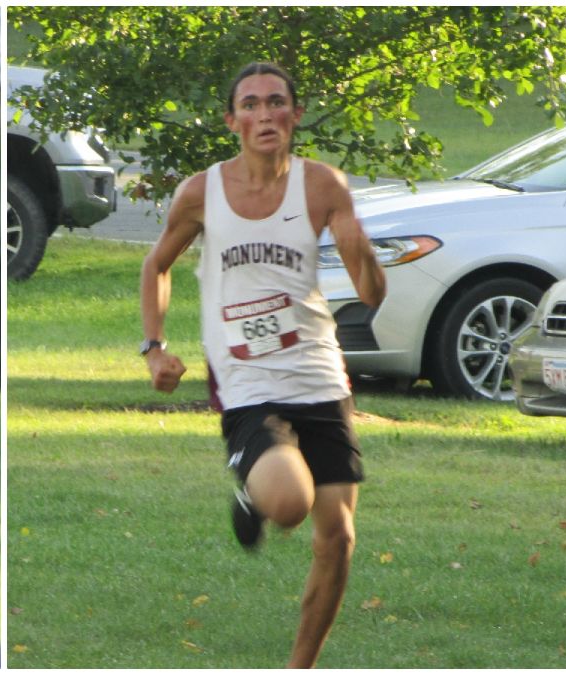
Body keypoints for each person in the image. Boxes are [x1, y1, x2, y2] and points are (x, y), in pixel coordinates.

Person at [139, 62, 386, 668]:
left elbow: (371, 292)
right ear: (232, 121)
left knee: (339, 538)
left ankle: (300, 666)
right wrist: (155, 347)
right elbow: (157, 265)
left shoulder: (322, 185)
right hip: (247, 381)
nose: (265, 113)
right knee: (292, 503)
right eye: (250, 104)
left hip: (318, 372)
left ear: (295, 115)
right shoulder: (202, 193)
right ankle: (257, 492)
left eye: (276, 102)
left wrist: (363, 254)